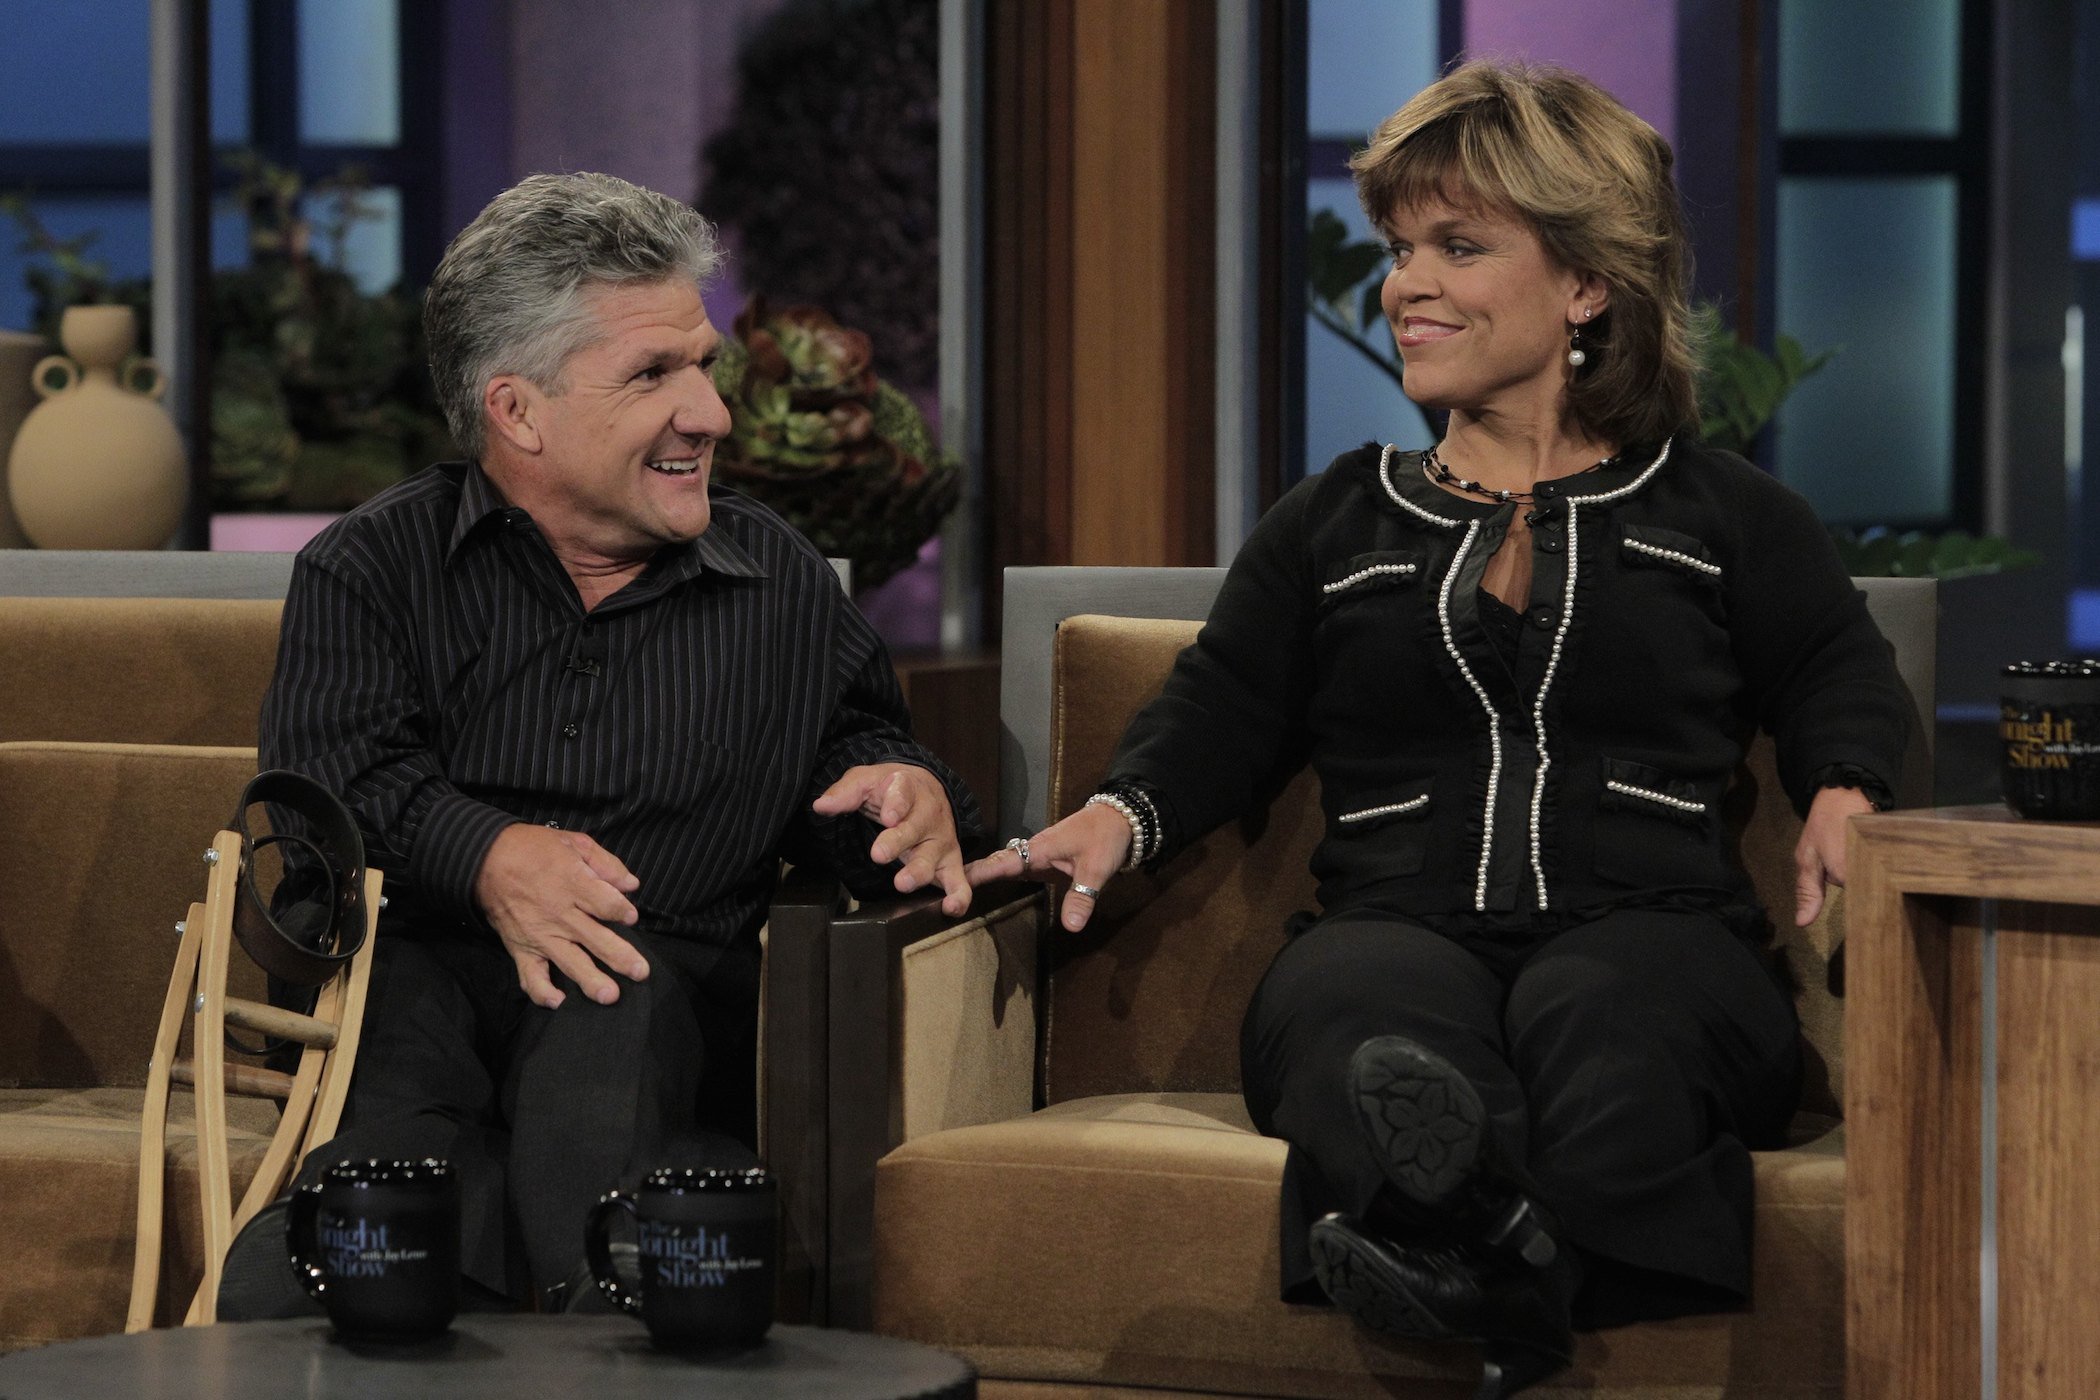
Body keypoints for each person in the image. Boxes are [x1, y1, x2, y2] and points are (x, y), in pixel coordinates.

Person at [965, 61, 1908, 1398]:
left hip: (1656, 931)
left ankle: (1466, 1260)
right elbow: (1218, 708)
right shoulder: (1332, 521)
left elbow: (1839, 674)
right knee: (1357, 1026)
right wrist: (1116, 818)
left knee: (1606, 1021)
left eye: (1460, 247)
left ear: (1587, 282)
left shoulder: (1727, 516)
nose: (1408, 284)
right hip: (1394, 922)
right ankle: (1518, 1279)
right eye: (1401, 248)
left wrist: (1847, 788)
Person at [239, 171, 982, 1311]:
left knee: (613, 1006)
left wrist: (906, 791)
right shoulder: (373, 568)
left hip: (655, 1007)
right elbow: (320, 797)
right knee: (386, 1191)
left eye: (704, 364)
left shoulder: (773, 577)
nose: (713, 412)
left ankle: (580, 1320)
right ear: (516, 410)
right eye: (654, 373)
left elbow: (857, 752)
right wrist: (486, 853)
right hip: (413, 990)